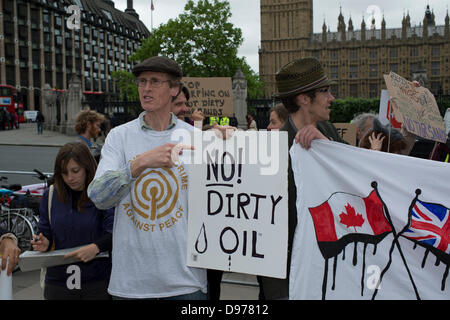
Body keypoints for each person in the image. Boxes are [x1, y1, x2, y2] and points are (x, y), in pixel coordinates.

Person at [87, 56, 208, 300]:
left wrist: (236, 143)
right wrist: (140, 163)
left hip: (186, 283)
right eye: (142, 82)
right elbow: (98, 197)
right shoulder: (119, 137)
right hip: (131, 284)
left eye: (155, 81)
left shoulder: (196, 138)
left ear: (174, 88)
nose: (146, 88)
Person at [258, 57, 348, 300]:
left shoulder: (327, 131)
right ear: (304, 98)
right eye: (325, 91)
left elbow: (355, 173)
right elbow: (266, 231)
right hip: (291, 278)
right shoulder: (273, 151)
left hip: (330, 270)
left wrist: (328, 148)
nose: (332, 98)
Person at [31, 142, 114, 300]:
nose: (70, 178)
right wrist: (42, 242)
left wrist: (96, 247)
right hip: (58, 283)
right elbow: (44, 232)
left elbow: (113, 231)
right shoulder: (50, 195)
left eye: (75, 171)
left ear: (87, 168)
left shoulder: (101, 193)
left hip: (96, 281)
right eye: (64, 173)